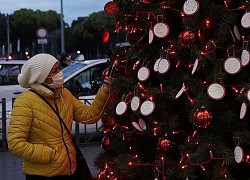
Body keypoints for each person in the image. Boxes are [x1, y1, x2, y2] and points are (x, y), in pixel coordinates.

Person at [7, 53, 113, 180]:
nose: (60, 73)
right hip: (42, 174)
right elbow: (15, 144)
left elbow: (89, 116)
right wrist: (50, 154)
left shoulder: (64, 94)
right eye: (55, 70)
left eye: (59, 69)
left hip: (71, 169)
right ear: (42, 76)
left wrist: (105, 90)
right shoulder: (25, 102)